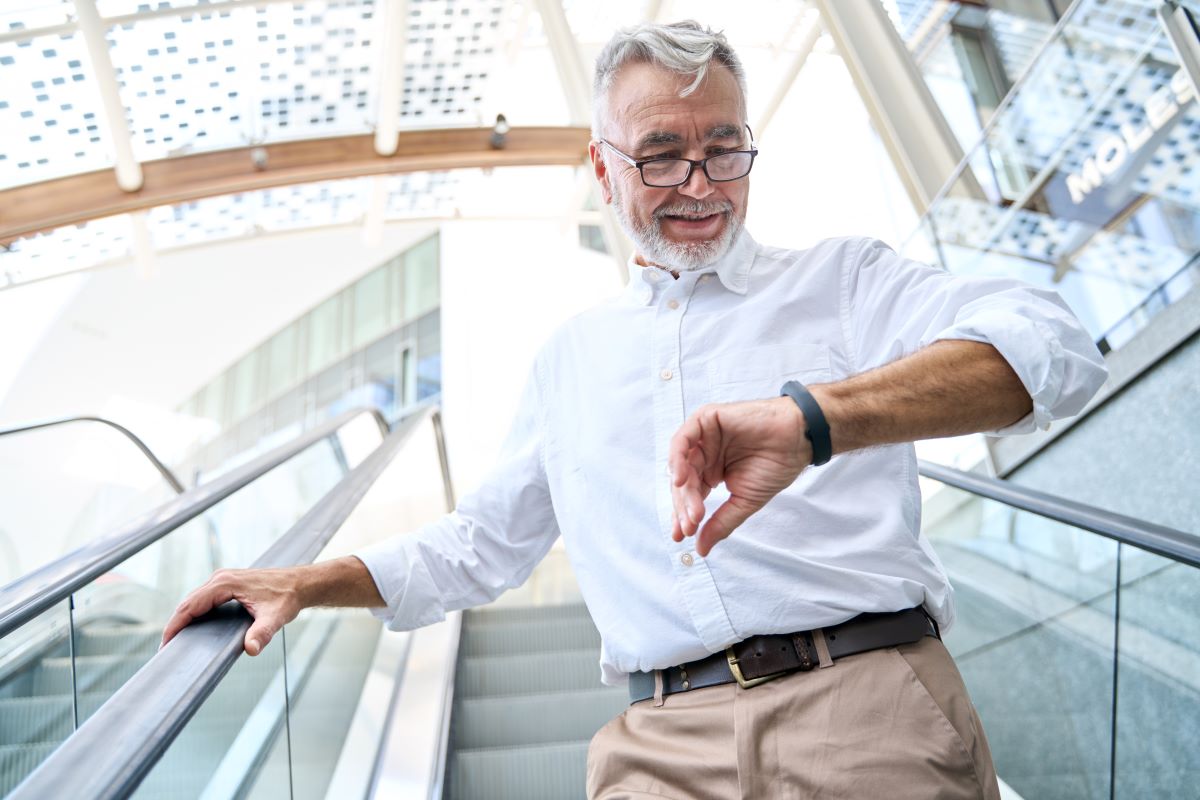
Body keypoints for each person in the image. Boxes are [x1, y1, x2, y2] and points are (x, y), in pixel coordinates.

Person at [162, 21, 1107, 799]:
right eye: (661, 155)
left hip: (864, 712)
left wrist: (816, 417)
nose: (699, 186)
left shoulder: (845, 281)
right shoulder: (568, 360)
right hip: (658, 749)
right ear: (602, 168)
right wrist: (307, 582)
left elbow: (1052, 347)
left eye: (723, 148)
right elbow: (478, 546)